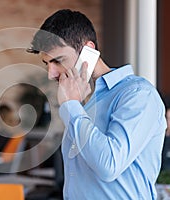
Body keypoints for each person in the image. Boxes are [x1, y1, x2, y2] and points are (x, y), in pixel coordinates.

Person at [27, 9, 166, 199]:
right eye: (47, 64)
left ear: (88, 51)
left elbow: (109, 165)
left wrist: (73, 106)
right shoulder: (82, 100)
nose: (51, 74)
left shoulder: (138, 95)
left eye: (58, 61)